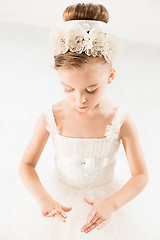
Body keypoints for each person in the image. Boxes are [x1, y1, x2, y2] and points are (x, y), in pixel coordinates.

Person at [12, 3, 160, 240]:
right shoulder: (51, 116)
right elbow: (26, 165)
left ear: (110, 75)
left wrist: (112, 204)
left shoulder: (121, 119)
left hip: (105, 197)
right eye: (67, 89)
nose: (79, 99)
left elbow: (140, 174)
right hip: (60, 196)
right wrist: (43, 198)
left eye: (91, 89)